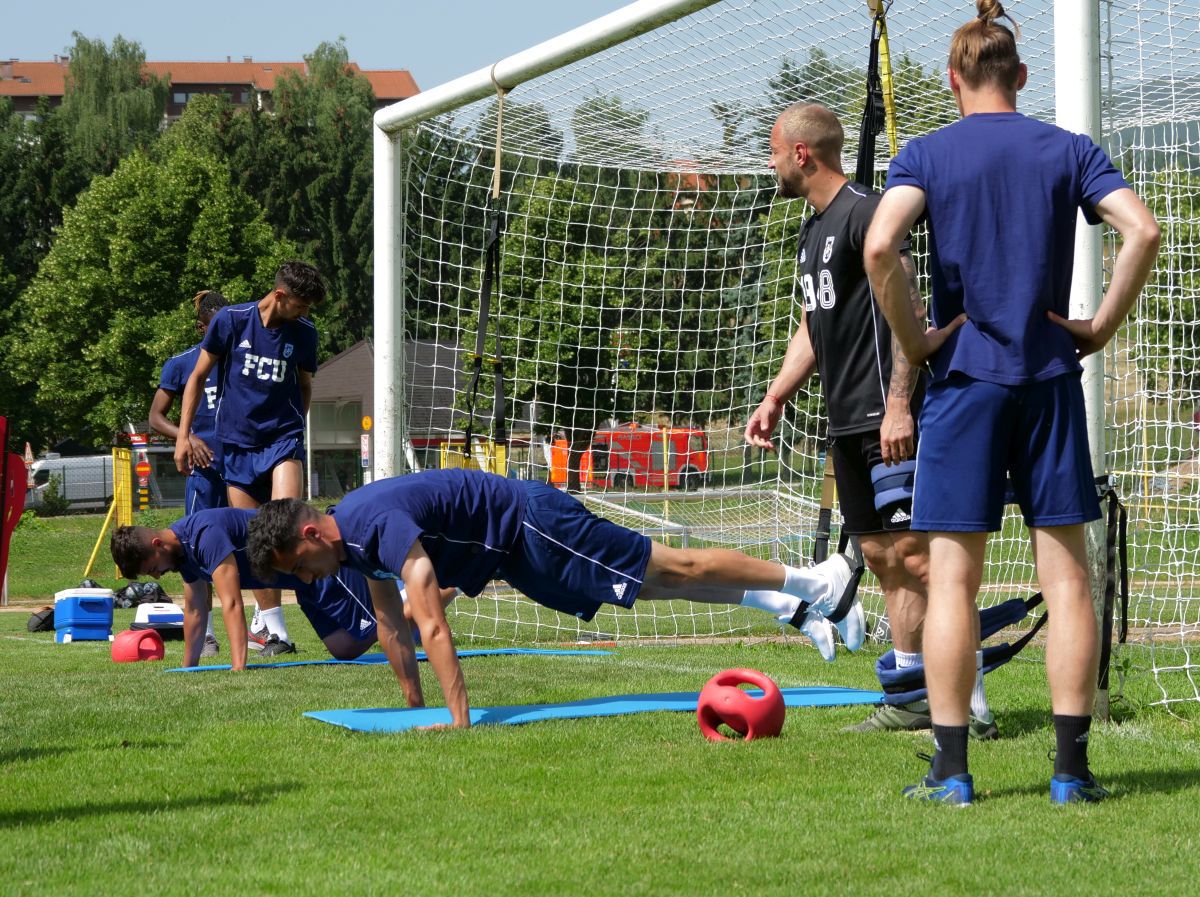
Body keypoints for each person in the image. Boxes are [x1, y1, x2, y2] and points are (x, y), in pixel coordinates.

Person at [863, 0, 1160, 804]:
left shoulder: (926, 153)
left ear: (954, 78)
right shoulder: (1067, 149)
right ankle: (1069, 773)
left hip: (964, 387)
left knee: (953, 582)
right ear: (1021, 77)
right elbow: (1143, 230)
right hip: (1050, 380)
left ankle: (953, 773)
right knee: (1067, 582)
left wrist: (918, 337)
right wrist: (1097, 325)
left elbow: (879, 245)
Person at [245, 468, 866, 728]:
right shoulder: (350, 542)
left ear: (309, 533)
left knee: (671, 566)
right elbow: (389, 624)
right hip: (517, 556)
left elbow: (431, 624)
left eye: (298, 567)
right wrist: (412, 704)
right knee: (649, 590)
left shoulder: (371, 522)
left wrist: (459, 721)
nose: (305, 581)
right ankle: (793, 606)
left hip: (532, 524)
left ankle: (816, 580)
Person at [747, 102, 996, 738]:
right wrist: (776, 396)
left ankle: (969, 696)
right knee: (884, 558)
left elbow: (907, 302)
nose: (769, 162)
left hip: (887, 416)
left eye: (774, 151)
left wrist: (900, 401)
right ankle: (913, 692)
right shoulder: (810, 233)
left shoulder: (865, 211)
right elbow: (813, 324)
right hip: (844, 422)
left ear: (802, 153)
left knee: (918, 556)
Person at [174, 261, 326, 656]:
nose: (305, 312)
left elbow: (305, 385)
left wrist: (294, 427)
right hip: (237, 447)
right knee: (255, 539)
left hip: (282, 441)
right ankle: (274, 631)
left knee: (285, 524)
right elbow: (196, 377)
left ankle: (313, 614)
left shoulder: (305, 332)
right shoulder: (232, 320)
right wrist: (184, 437)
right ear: (280, 295)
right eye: (300, 304)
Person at [109, 509, 455, 667]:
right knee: (344, 649)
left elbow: (231, 602)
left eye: (152, 568)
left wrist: (238, 666)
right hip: (302, 584)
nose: (156, 577)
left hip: (318, 569)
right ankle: (421, 599)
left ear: (157, 544)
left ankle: (445, 585)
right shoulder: (183, 555)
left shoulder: (203, 534)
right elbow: (197, 610)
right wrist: (188, 667)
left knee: (383, 627)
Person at [149, 289, 230, 658]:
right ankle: (207, 635)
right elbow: (155, 417)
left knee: (258, 539)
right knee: (197, 549)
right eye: (216, 326)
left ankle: (270, 629)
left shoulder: (241, 360)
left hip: (243, 467)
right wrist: (187, 436)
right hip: (204, 471)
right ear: (202, 328)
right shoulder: (181, 364)